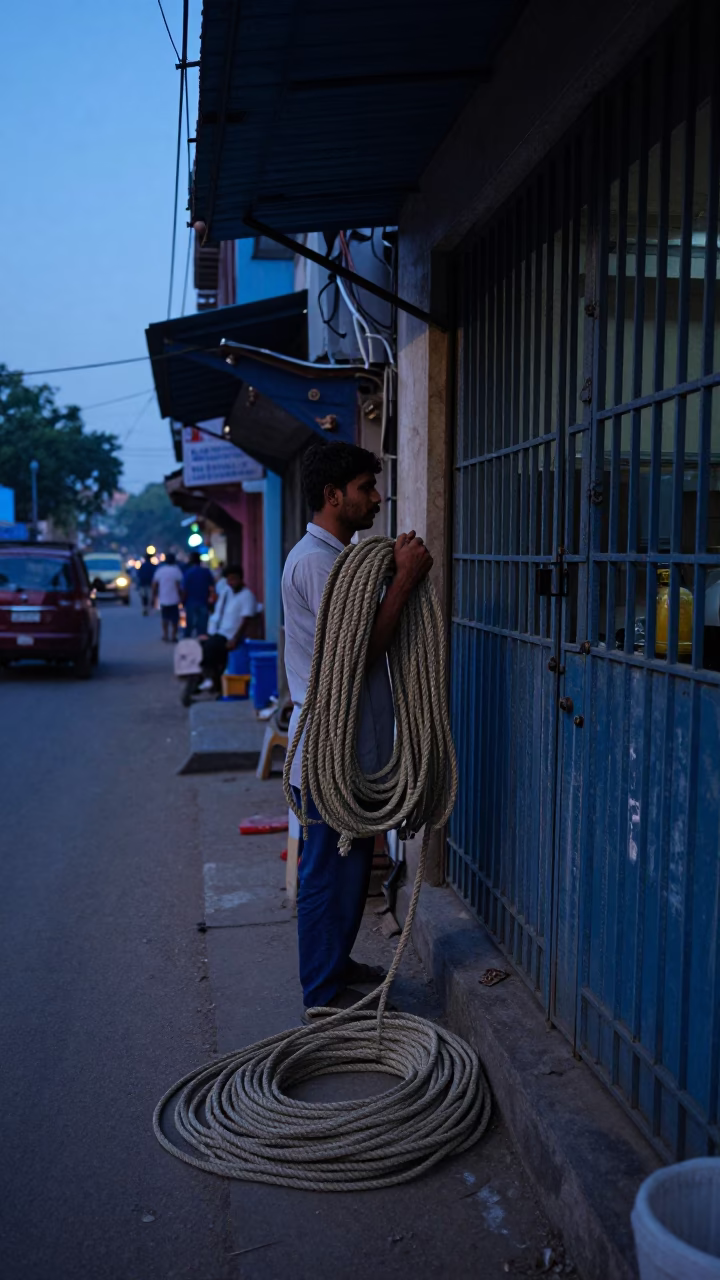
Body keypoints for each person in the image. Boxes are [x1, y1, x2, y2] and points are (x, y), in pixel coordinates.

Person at [281, 440, 432, 1016]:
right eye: (366, 488)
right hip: (328, 750)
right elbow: (355, 656)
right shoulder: (317, 563)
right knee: (327, 871)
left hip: (350, 749)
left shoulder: (339, 558)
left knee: (347, 870)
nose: (376, 497)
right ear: (333, 495)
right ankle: (322, 995)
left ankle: (336, 968)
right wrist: (404, 580)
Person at [183, 564, 257, 702]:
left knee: (209, 651)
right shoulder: (226, 592)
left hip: (230, 636)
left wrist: (234, 639)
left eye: (234, 579)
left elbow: (246, 620)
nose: (231, 582)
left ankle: (208, 682)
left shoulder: (247, 596)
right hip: (218, 632)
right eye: (229, 580)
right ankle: (207, 681)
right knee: (199, 648)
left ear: (240, 578)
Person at [152, 552, 185, 642]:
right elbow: (179, 586)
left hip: (163, 599)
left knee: (165, 618)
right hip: (174, 599)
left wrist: (154, 597)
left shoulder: (160, 570)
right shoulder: (176, 571)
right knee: (175, 619)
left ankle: (165, 635)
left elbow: (154, 585)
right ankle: (173, 636)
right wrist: (181, 597)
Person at [182, 550, 216, 637]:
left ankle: (188, 640)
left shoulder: (188, 572)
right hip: (203, 602)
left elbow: (184, 590)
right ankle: (201, 641)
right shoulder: (206, 571)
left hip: (191, 602)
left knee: (189, 624)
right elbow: (212, 587)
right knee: (202, 626)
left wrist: (183, 601)